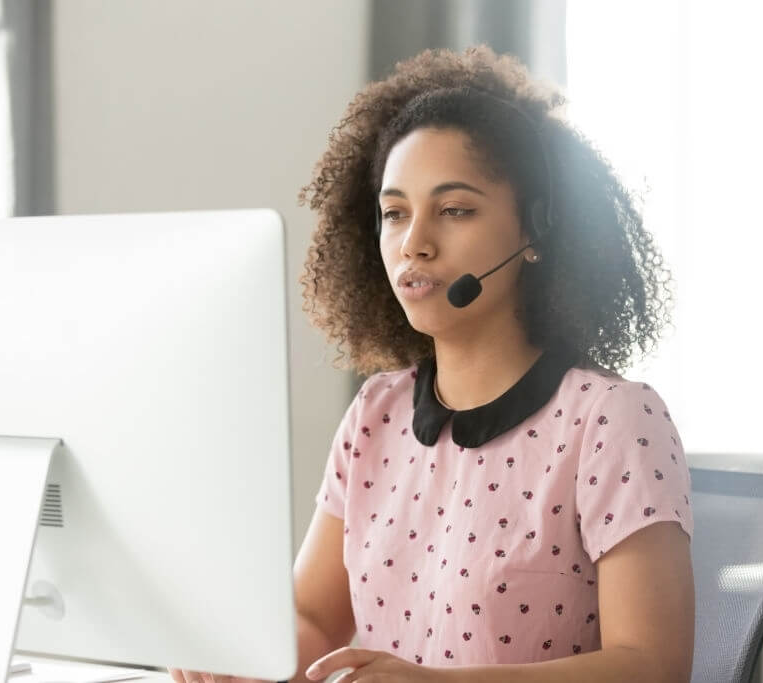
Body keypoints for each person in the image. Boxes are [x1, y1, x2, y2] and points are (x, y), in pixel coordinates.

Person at [172, 45, 694, 683]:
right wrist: (239, 659)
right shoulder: (377, 413)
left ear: (536, 232)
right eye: (395, 213)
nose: (413, 243)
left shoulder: (611, 419)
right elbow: (313, 616)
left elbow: (654, 667)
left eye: (455, 210)